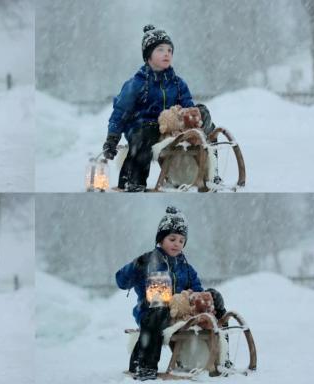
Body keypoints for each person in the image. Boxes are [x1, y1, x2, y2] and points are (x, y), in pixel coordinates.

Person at [115, 206, 226, 380]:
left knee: (214, 296)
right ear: (161, 239)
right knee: (158, 312)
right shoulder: (148, 262)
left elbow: (197, 291)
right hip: (151, 313)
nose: (177, 244)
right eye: (172, 238)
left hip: (180, 314)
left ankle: (220, 357)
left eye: (181, 241)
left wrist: (202, 297)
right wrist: (137, 265)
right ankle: (144, 365)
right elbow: (121, 281)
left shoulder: (186, 268)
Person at [102, 25, 214, 192]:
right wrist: (112, 138)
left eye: (169, 50)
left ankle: (210, 173)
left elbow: (187, 106)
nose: (167, 53)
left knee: (203, 112)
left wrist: (192, 115)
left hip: (171, 127)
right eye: (160, 50)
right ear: (148, 56)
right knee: (144, 135)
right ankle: (133, 182)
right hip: (142, 127)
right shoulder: (137, 84)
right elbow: (120, 112)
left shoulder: (178, 83)